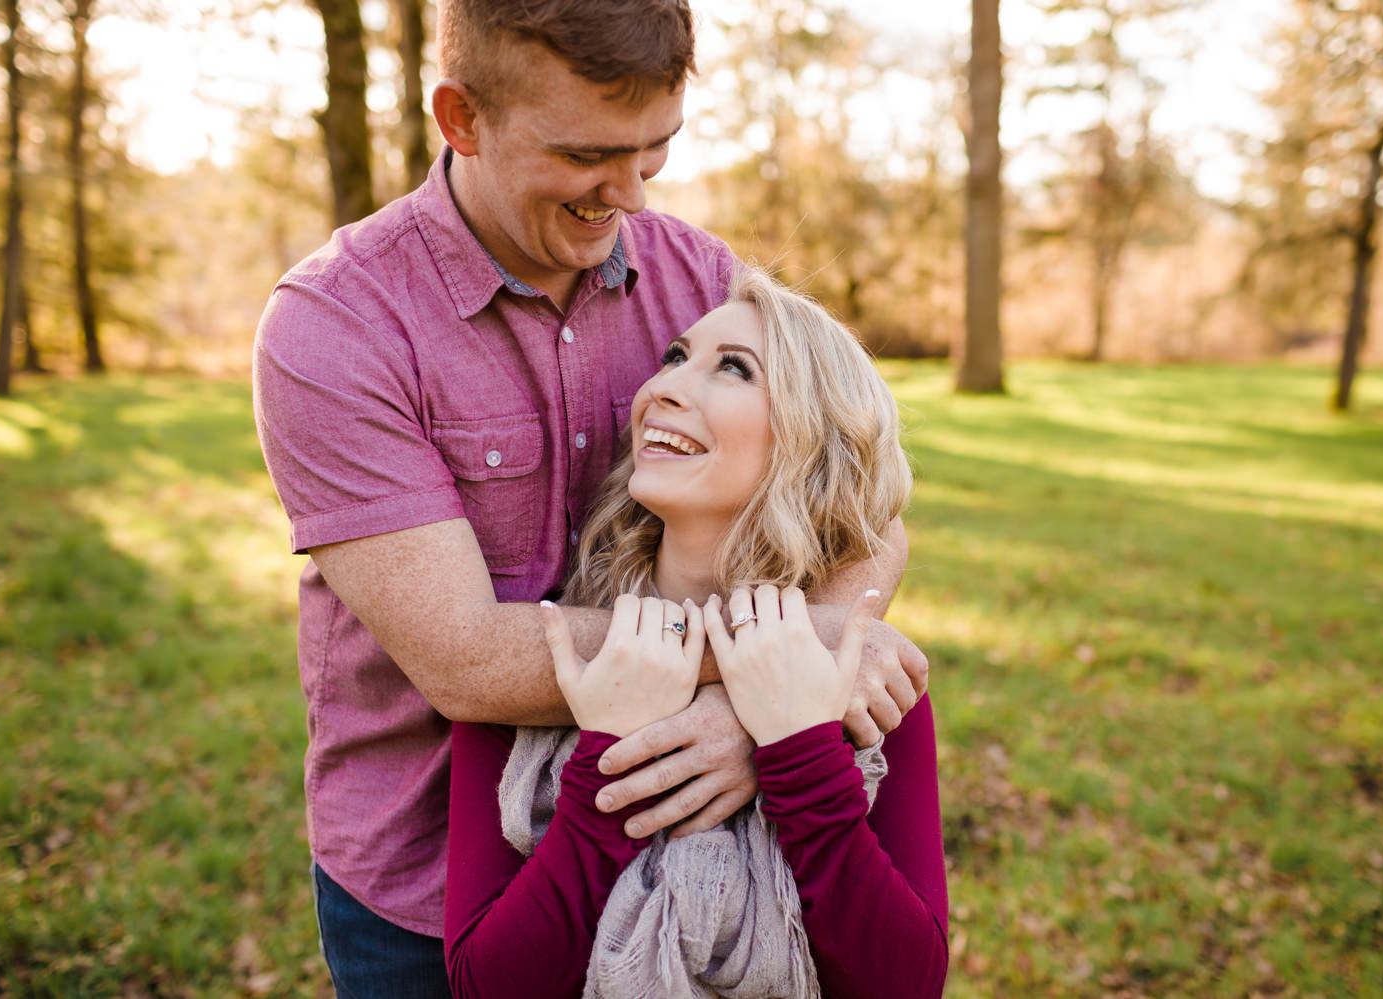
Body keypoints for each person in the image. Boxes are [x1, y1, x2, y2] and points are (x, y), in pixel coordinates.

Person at [252, 1, 930, 994]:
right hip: (433, 870)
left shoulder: (701, 281)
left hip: (718, 855)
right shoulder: (336, 327)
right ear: (461, 118)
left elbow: (864, 513)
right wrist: (777, 675)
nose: (631, 198)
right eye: (587, 155)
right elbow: (469, 661)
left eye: (655, 151)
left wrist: (769, 718)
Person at [443, 267, 949, 997]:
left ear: (809, 447)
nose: (665, 388)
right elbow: (485, 986)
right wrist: (604, 766)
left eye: (733, 369)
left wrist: (802, 752)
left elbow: (905, 984)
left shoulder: (860, 683)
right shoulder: (546, 660)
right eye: (675, 357)